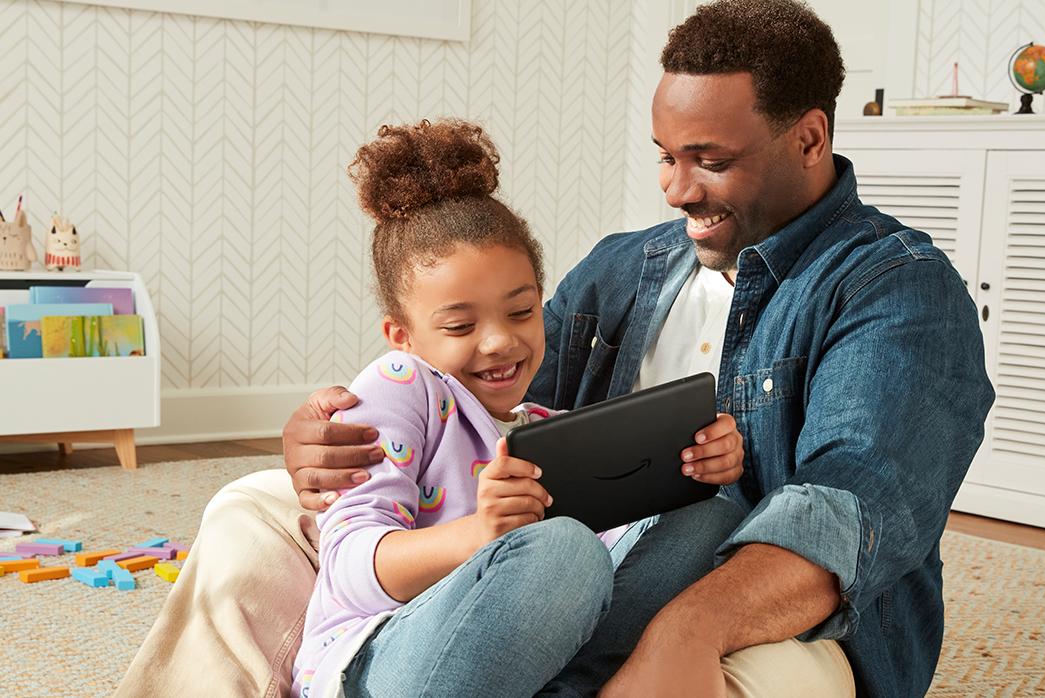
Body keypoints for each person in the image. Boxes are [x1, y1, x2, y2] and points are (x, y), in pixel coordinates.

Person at [115, 1, 994, 697]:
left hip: (759, 608)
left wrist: (680, 632)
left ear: (807, 138)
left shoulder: (896, 290)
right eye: (663, 156)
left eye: (708, 159)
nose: (675, 188)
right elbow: (495, 416)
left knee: (761, 677)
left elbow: (845, 525)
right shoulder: (627, 265)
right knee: (250, 506)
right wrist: (328, 448)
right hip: (563, 568)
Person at [286, 117, 744, 698]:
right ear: (401, 335)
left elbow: (614, 563)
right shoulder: (401, 385)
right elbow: (349, 567)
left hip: (517, 657)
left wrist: (701, 463)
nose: (500, 340)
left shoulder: (542, 433)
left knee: (707, 517)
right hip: (383, 659)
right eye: (460, 324)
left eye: (522, 312)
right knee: (565, 551)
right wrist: (480, 535)